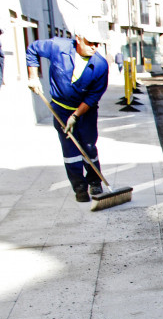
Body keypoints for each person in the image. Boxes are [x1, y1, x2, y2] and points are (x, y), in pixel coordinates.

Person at [26, 25, 110, 203]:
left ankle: (95, 181)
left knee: (88, 146)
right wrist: (33, 76)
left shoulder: (100, 65)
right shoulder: (58, 47)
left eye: (97, 44)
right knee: (70, 149)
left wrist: (76, 116)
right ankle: (79, 188)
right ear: (79, 38)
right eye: (90, 43)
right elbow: (32, 49)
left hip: (85, 111)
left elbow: (93, 96)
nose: (94, 47)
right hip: (61, 109)